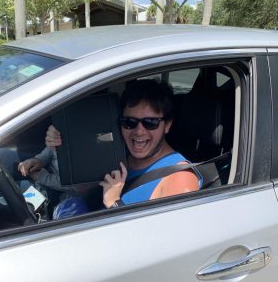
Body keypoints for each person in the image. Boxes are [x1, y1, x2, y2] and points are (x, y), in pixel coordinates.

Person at [46, 79, 202, 211]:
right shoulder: (118, 153)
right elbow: (82, 188)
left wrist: (114, 203)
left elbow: (169, 242)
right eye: (130, 122)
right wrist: (62, 145)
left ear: (167, 125)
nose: (139, 131)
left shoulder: (180, 177)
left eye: (150, 123)